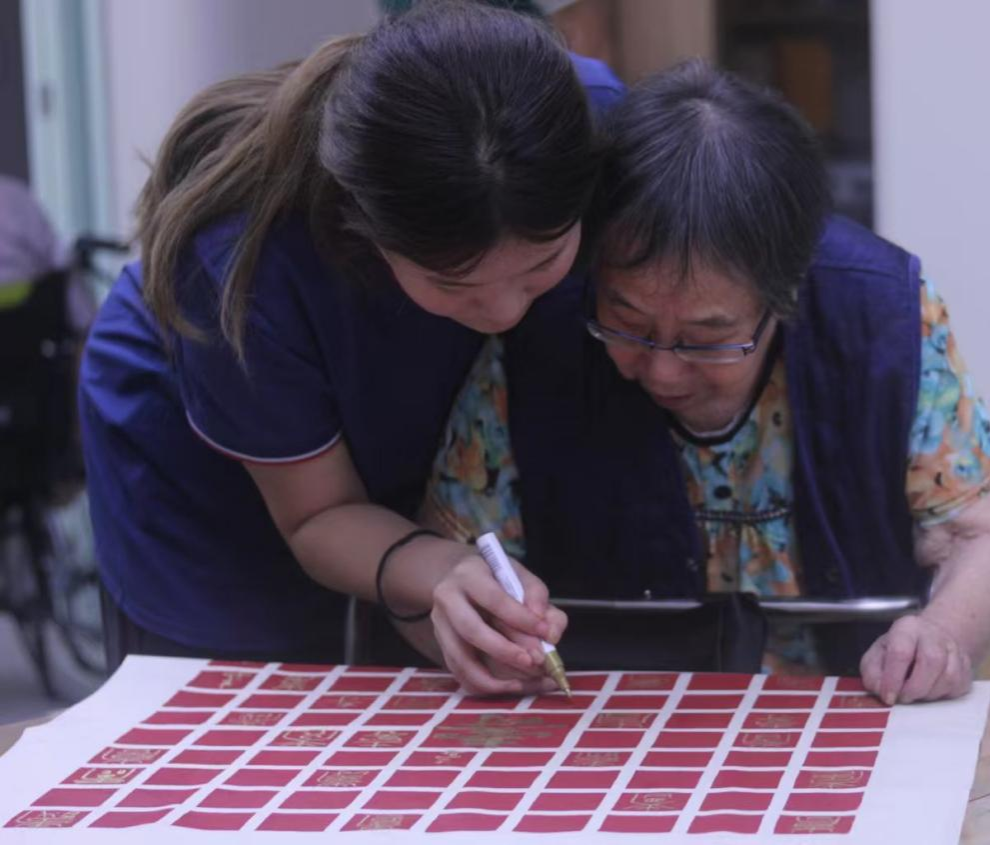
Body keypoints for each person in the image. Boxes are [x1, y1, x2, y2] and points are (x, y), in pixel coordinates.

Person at [418, 60, 990, 704]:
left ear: (786, 295)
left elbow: (987, 533)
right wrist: (475, 615)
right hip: (603, 715)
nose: (662, 369)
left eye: (706, 338)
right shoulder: (545, 320)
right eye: (627, 323)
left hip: (843, 714)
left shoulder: (880, 315)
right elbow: (457, 542)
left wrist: (943, 633)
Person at [79, 0, 619, 674]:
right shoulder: (242, 266)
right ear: (364, 226)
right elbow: (319, 515)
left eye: (542, 266)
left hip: (396, 389)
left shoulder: (587, 119)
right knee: (255, 693)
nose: (505, 312)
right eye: (454, 283)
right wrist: (439, 568)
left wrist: (446, 581)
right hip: (210, 459)